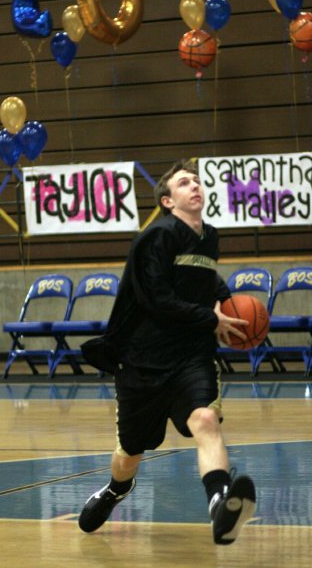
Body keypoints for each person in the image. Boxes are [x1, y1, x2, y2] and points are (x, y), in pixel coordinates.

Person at [79, 159, 256, 545]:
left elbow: (205, 277)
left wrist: (224, 301)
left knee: (206, 420)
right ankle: (114, 491)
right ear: (167, 200)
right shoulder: (155, 236)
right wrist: (210, 319)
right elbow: (157, 297)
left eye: (197, 181)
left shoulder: (209, 236)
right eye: (183, 182)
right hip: (142, 360)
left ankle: (220, 506)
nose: (194, 186)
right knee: (129, 454)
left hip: (191, 356)